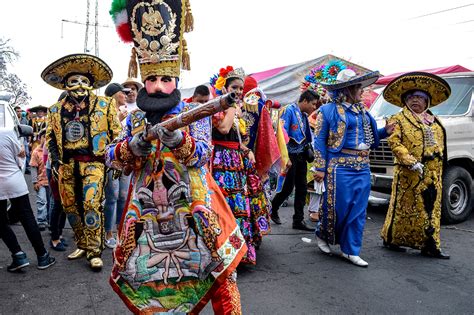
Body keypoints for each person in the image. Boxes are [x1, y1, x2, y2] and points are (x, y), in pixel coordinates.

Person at [108, 0, 246, 313]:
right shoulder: (133, 119)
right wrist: (131, 148)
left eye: (165, 80)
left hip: (195, 205)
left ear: (176, 81)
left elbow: (203, 154)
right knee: (152, 284)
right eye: (152, 80)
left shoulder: (193, 114)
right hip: (148, 213)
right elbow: (112, 160)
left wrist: (179, 138)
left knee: (222, 273)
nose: (157, 87)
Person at [42, 53, 122, 270]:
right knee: (70, 207)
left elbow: (117, 134)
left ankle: (95, 251)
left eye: (84, 81)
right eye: (73, 81)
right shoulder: (55, 110)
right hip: (67, 164)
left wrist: (116, 162)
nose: (79, 86)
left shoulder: (105, 104)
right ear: (65, 85)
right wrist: (56, 161)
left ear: (91, 84)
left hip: (94, 163)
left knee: (90, 203)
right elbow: (50, 137)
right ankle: (83, 243)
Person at [312, 60, 394, 267]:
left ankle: (351, 250)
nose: (362, 91)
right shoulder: (328, 110)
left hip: (362, 167)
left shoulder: (364, 113)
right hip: (338, 167)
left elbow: (373, 139)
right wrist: (320, 168)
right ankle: (323, 234)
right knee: (337, 209)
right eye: (358, 87)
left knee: (358, 210)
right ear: (346, 89)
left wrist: (386, 132)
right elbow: (319, 140)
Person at [380, 72, 451, 259]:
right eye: (411, 97)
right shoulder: (398, 119)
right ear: (405, 100)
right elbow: (394, 143)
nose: (415, 101)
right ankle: (392, 238)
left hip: (432, 173)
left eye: (420, 97)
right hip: (408, 174)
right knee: (404, 208)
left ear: (427, 101)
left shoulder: (434, 121)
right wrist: (411, 162)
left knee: (431, 209)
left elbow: (441, 145)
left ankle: (430, 244)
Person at [210, 66, 271, 263]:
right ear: (224, 87)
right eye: (234, 87)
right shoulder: (218, 105)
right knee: (224, 204)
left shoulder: (237, 107)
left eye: (240, 89)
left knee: (239, 205)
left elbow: (238, 138)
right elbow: (225, 128)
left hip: (236, 159)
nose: (238, 92)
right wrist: (230, 107)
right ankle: (223, 251)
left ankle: (239, 250)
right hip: (220, 159)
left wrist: (246, 149)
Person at [0, 127, 55, 271]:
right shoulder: (6, 132)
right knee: (27, 217)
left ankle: (18, 255)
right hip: (14, 180)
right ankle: (42, 256)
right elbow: (21, 157)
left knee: (1, 223)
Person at [270, 89, 320, 231]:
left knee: (302, 188)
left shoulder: (304, 115)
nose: (314, 107)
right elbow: (282, 135)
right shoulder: (289, 111)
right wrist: (285, 158)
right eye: (313, 104)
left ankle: (298, 220)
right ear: (304, 101)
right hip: (291, 156)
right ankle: (273, 207)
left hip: (301, 156)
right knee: (288, 188)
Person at [103, 82, 133, 248]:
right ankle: (109, 233)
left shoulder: (127, 112)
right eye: (123, 92)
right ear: (114, 94)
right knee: (112, 196)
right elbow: (102, 137)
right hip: (111, 160)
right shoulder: (103, 112)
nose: (126, 95)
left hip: (125, 160)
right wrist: (117, 120)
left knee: (123, 196)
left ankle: (121, 231)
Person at [29, 128, 50, 231]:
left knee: (51, 203)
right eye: (43, 137)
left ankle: (50, 221)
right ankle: (41, 221)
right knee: (42, 201)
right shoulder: (36, 152)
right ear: (39, 138)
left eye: (48, 137)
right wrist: (35, 182)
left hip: (51, 182)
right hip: (41, 181)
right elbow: (33, 168)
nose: (46, 139)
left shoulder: (52, 151)